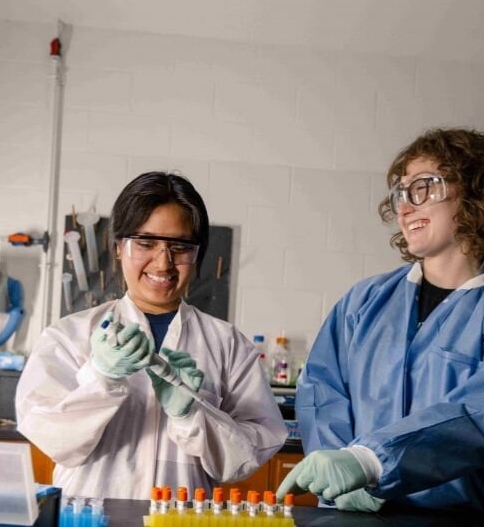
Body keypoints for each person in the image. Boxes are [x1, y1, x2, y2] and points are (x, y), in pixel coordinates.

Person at [277, 128, 484, 515]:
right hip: (354, 512)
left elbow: (480, 414)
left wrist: (370, 462)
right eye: (401, 194)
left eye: (423, 188)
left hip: (460, 517)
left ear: (478, 195)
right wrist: (340, 466)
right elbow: (322, 392)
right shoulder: (363, 302)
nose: (404, 208)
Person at [16, 171, 287, 499]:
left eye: (180, 246)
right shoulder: (69, 336)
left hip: (181, 519)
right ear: (118, 248)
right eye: (145, 243)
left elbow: (245, 458)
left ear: (197, 253)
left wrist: (193, 414)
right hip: (89, 518)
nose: (163, 263)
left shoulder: (228, 345)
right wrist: (101, 379)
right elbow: (50, 439)